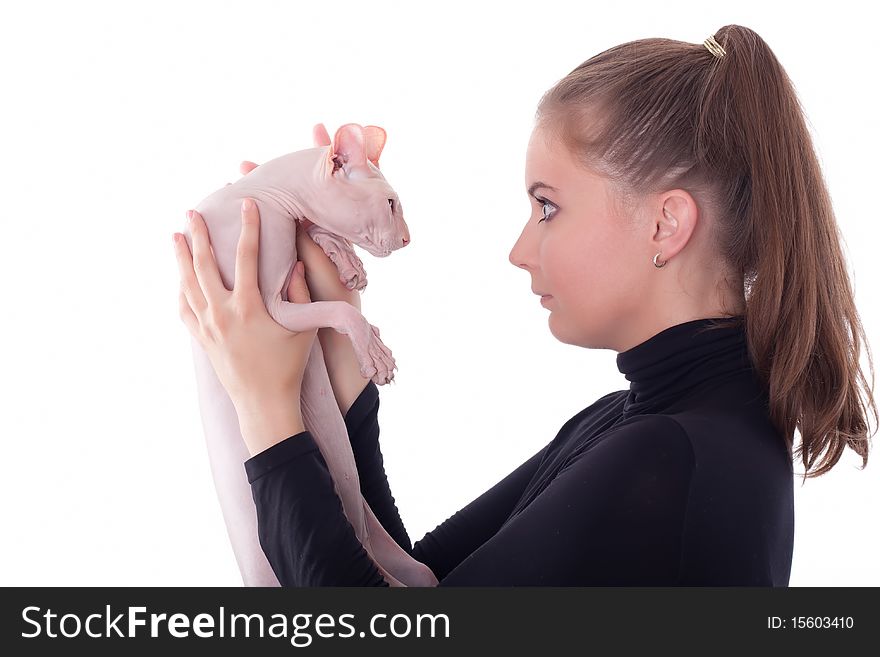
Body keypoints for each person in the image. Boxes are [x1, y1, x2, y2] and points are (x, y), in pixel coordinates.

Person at [174, 25, 876, 586]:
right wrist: (335, 362)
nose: (518, 248)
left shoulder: (666, 460)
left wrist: (268, 411)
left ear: (666, 224)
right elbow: (427, 586)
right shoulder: (637, 422)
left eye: (547, 206)